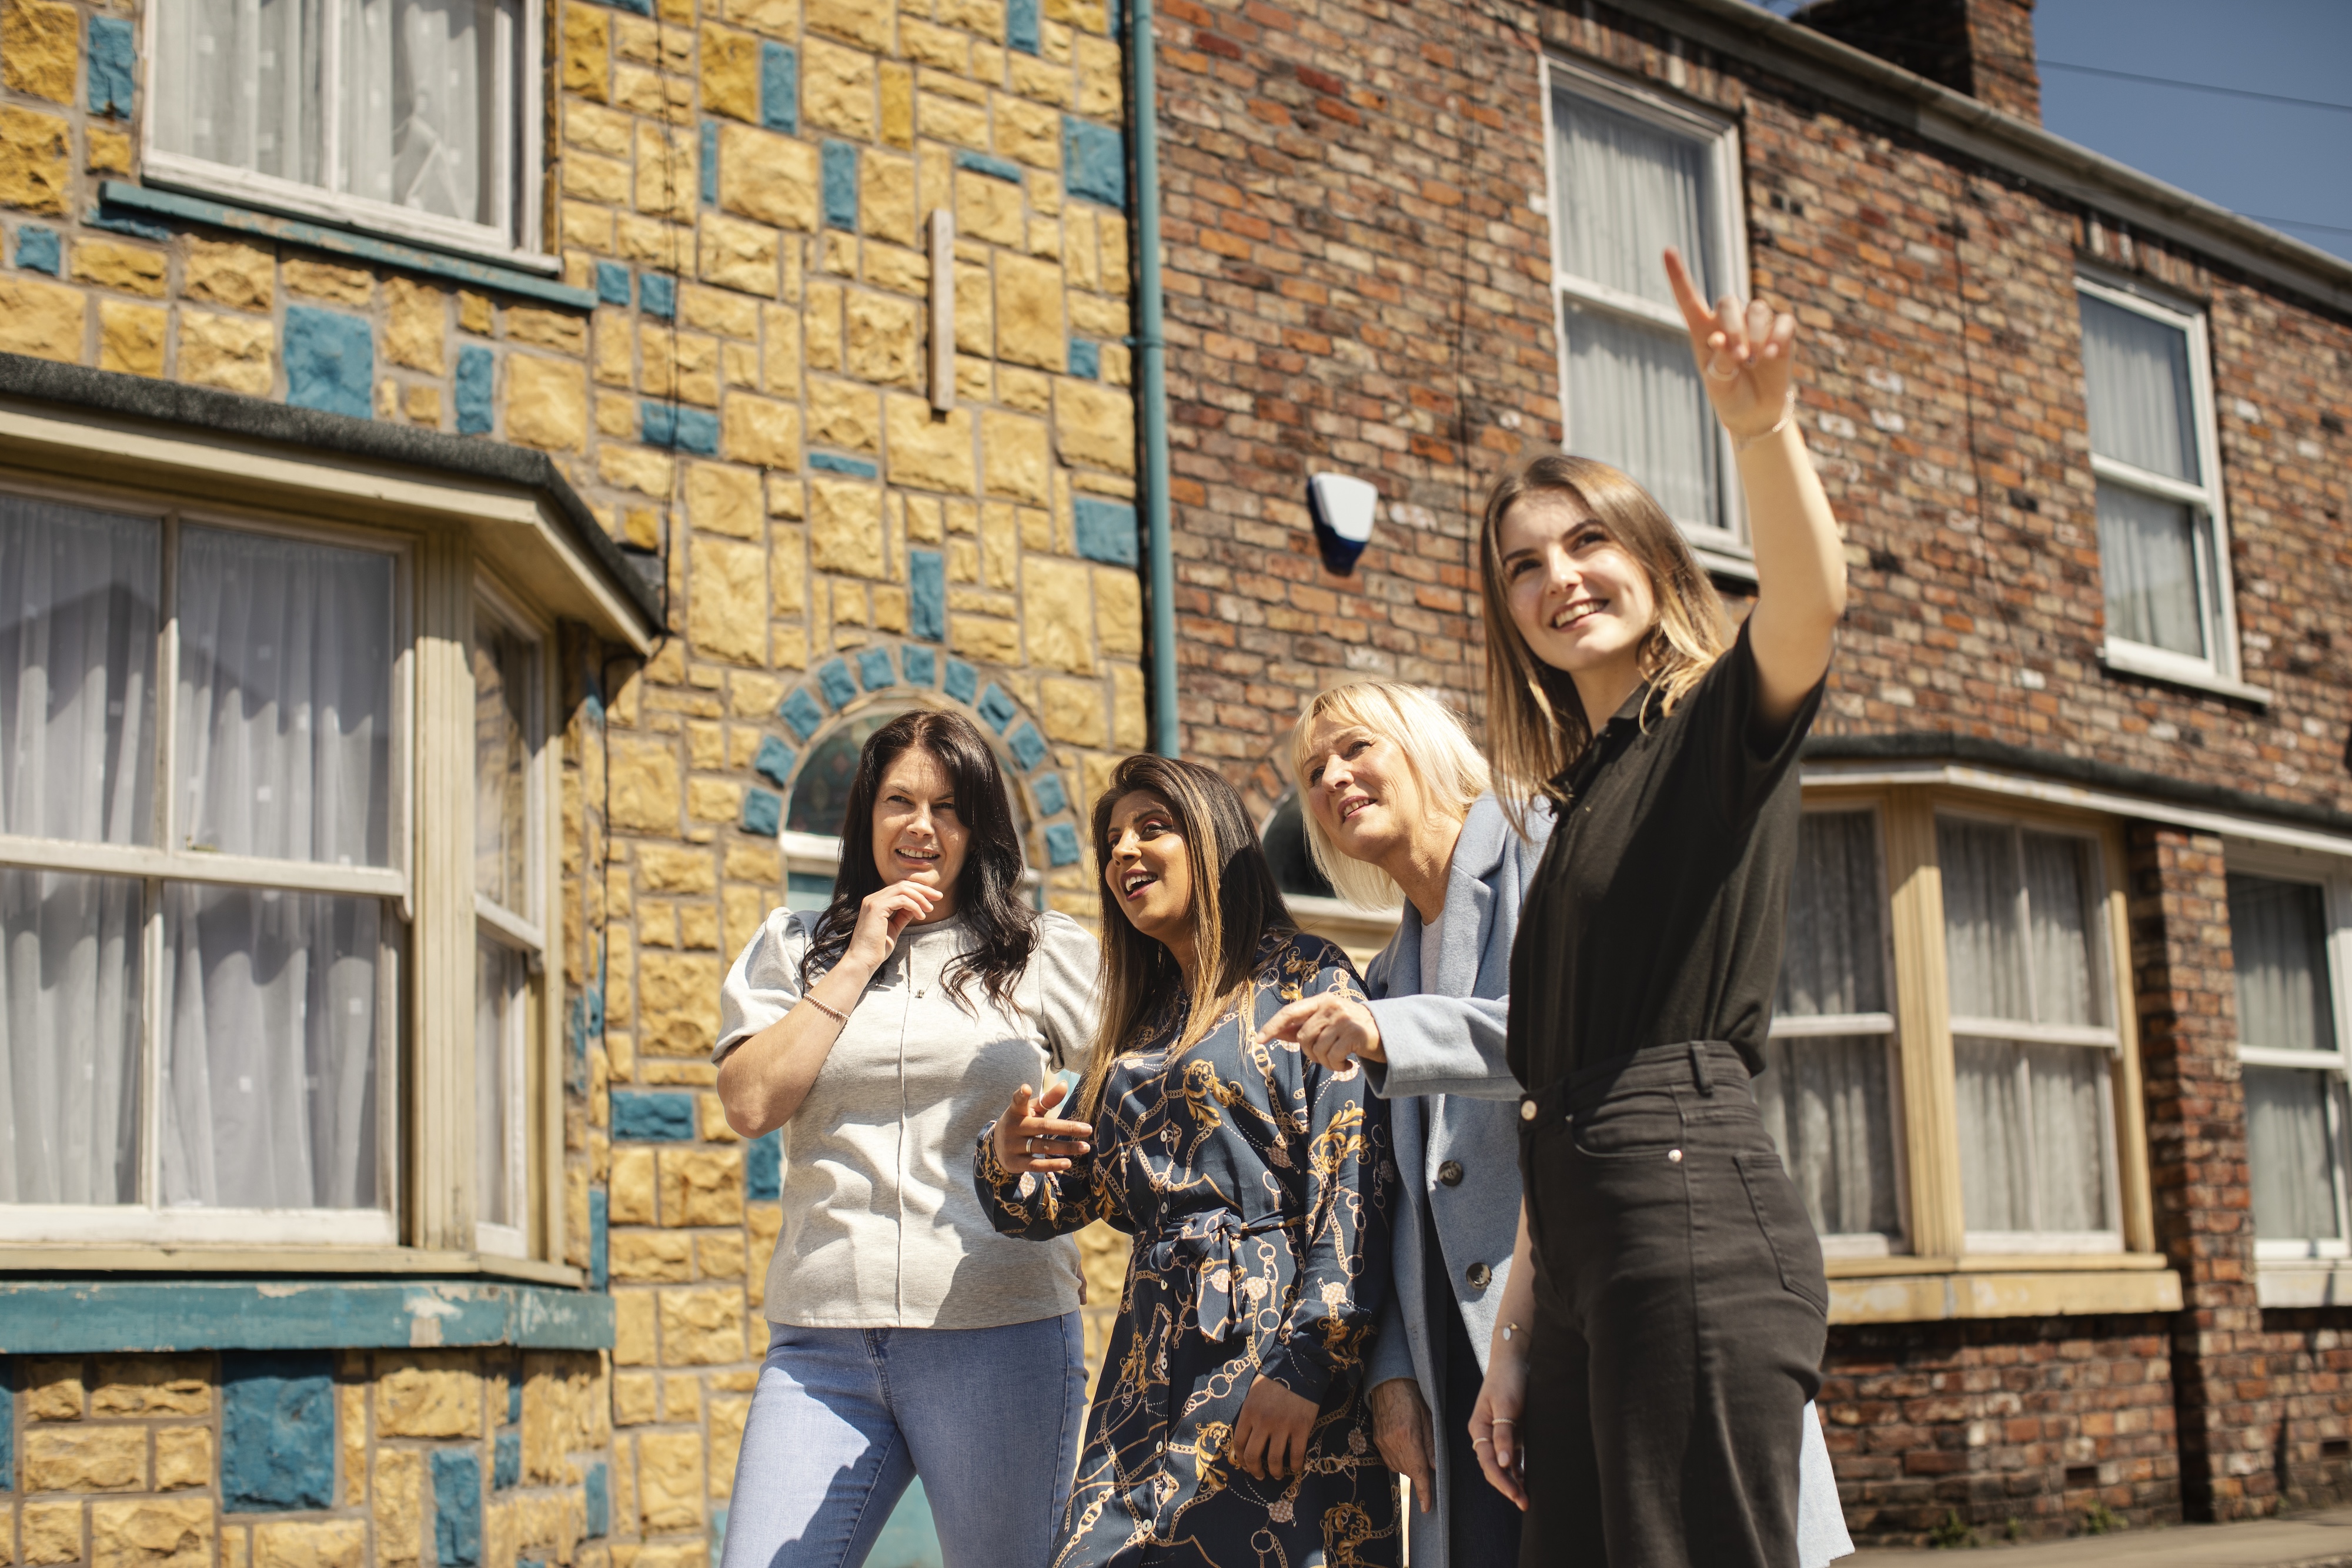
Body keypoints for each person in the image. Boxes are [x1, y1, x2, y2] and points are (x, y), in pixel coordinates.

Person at [1267, 681, 1853, 1568]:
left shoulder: (1547, 842)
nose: (1335, 777)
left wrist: (1394, 1036)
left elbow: (1590, 1030)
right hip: (1459, 1361)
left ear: (1425, 744)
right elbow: (1390, 1200)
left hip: (1593, 1302)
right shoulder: (1383, 975)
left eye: (1356, 748)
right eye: (1314, 771)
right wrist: (1393, 1375)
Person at [1466, 250, 1850, 1567]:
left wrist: (1761, 427)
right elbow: (1552, 1091)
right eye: (1522, 566)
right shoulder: (1581, 795)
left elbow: (1802, 612)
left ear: (1647, 554)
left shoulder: (1699, 729)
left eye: (1586, 541)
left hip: (1686, 1215)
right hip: (1583, 1250)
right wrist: (1518, 1337)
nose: (1557, 577)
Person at [974, 754, 1400, 1568]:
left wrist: (1308, 1367)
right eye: (1112, 841)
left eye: (1153, 829)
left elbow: (1355, 1187)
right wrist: (1004, 1157)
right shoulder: (1138, 1032)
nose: (1124, 853)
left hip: (1271, 1358)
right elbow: (1048, 1203)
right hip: (1147, 1375)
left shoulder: (1304, 975)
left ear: (1212, 841)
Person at [711, 708, 1097, 1568]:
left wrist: (1067, 1190)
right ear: (868, 816)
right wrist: (855, 960)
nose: (922, 827)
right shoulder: (794, 946)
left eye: (949, 807)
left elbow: (1142, 1091)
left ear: (978, 828)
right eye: (900, 801)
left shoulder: (1043, 953)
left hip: (997, 1331)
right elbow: (747, 1102)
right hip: (822, 1346)